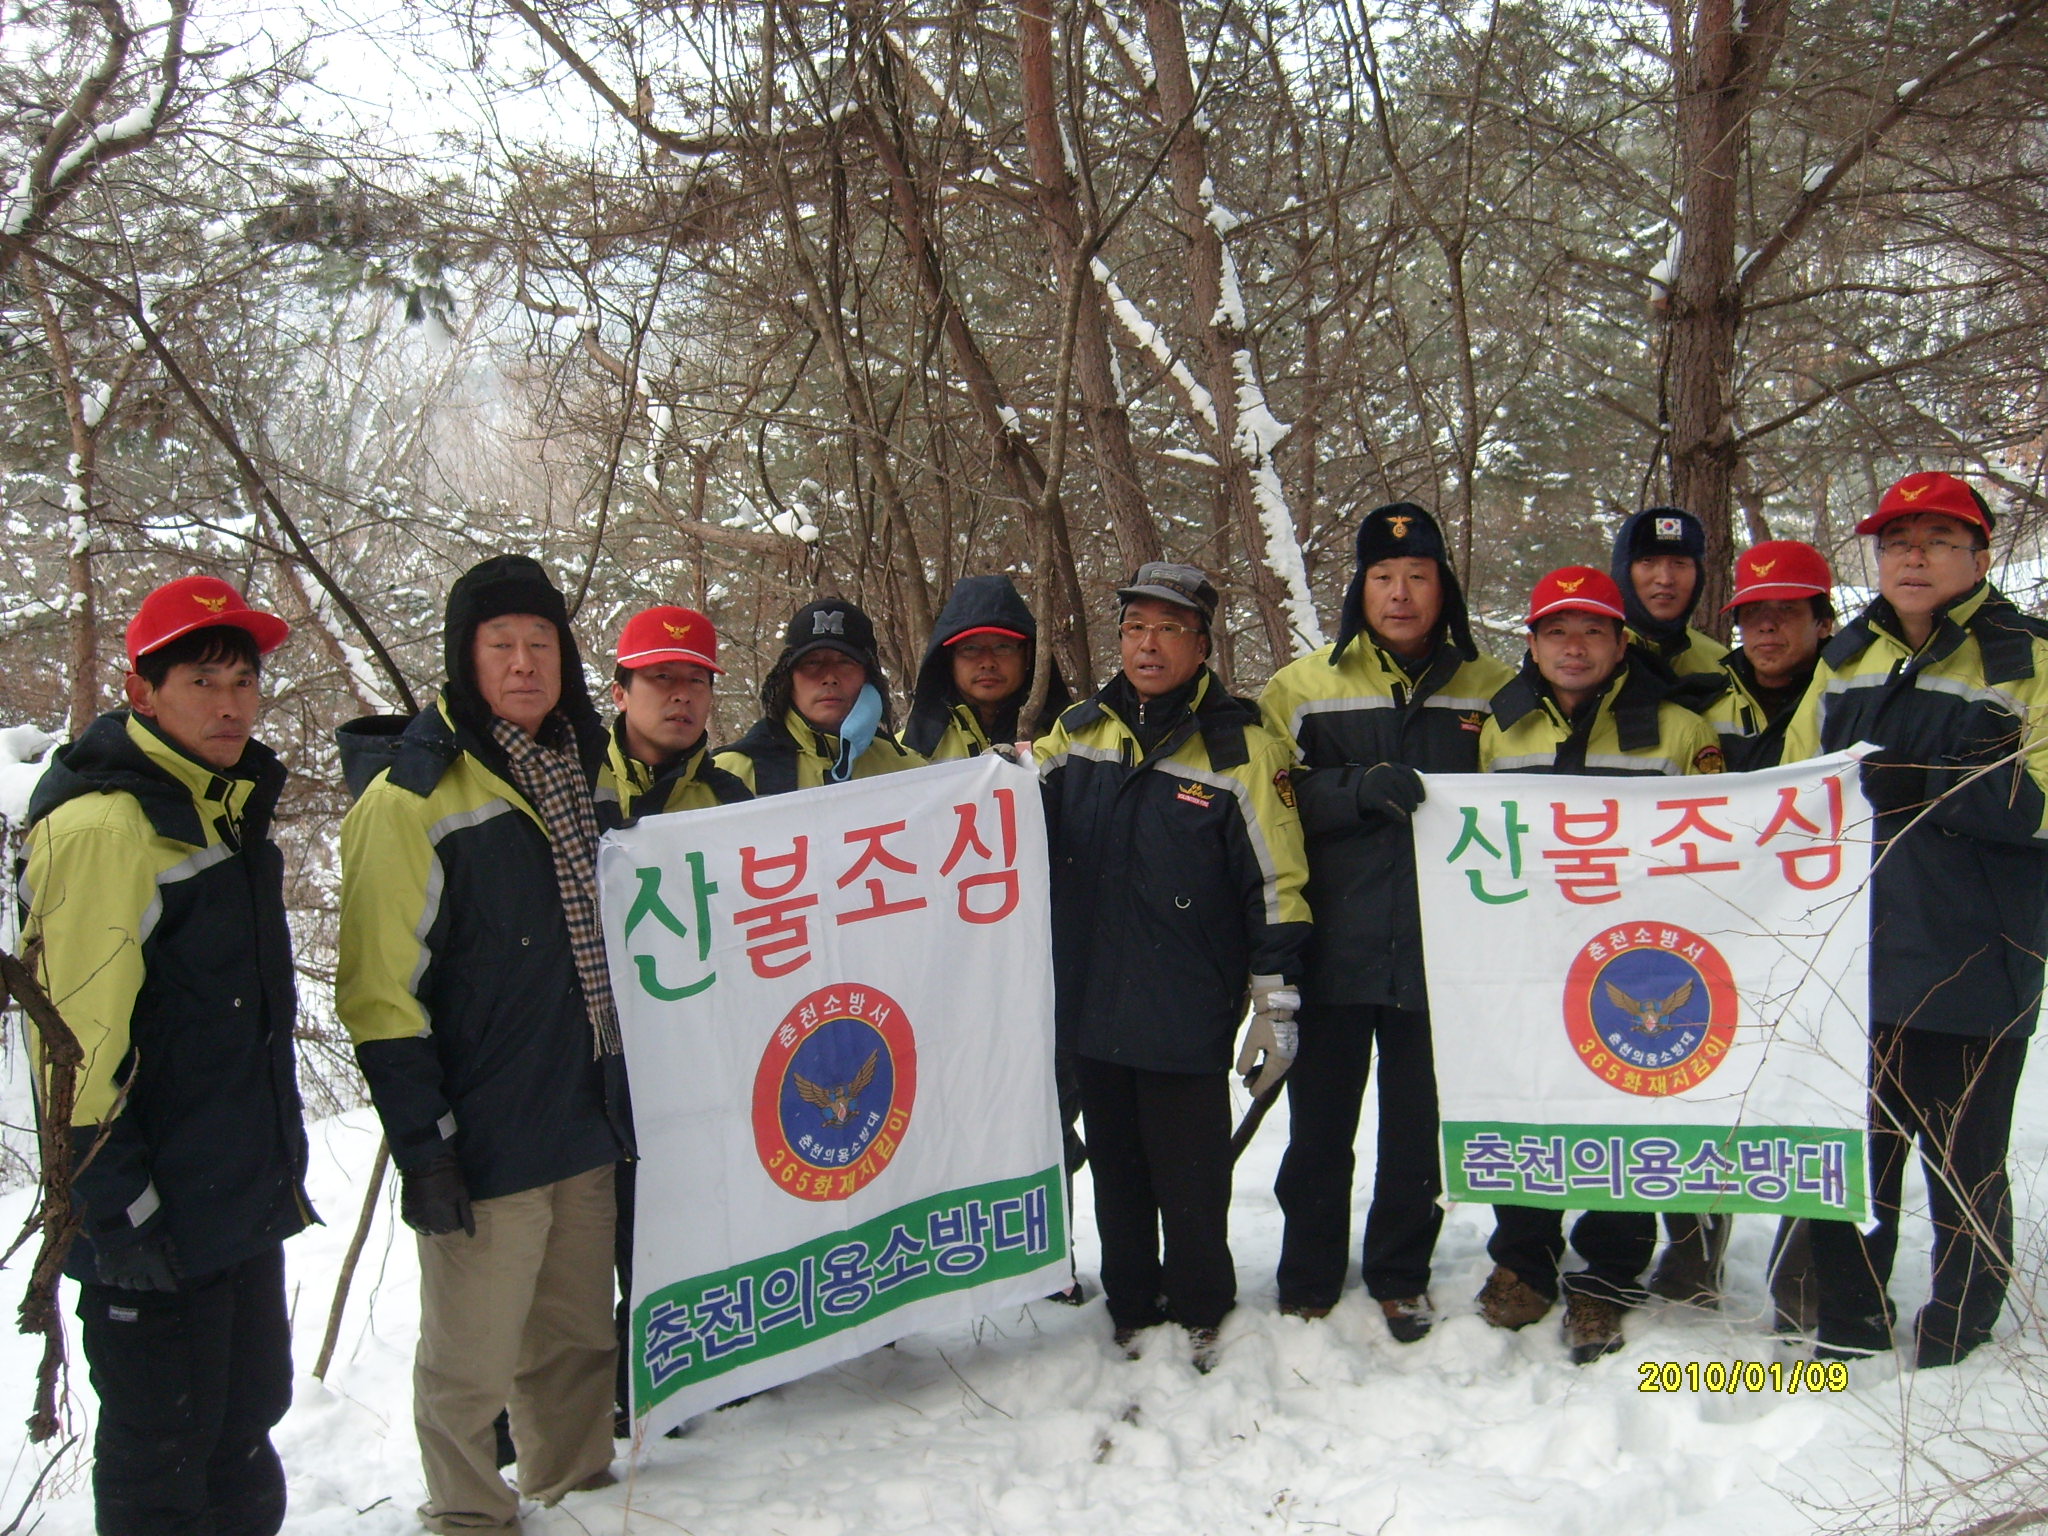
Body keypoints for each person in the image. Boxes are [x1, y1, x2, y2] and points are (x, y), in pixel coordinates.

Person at [337, 554, 629, 1531]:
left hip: (583, 1111)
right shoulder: (410, 798)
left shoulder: (586, 767)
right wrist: (424, 1146)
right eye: (500, 644)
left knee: (577, 1342)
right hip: (486, 1131)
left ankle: (577, 1495)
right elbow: (379, 995)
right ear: (465, 658)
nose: (523, 663)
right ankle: (468, 1516)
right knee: (469, 1364)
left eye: (541, 643)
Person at [21, 575, 309, 1536]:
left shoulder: (218, 806)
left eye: (244, 681)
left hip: (231, 1201)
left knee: (243, 1429)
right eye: (201, 681)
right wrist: (119, 1215)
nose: (230, 705)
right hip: (153, 1221)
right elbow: (71, 1049)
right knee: (163, 1464)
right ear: (141, 693)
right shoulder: (107, 827)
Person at [1782, 471, 2046, 1368]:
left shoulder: (2025, 657)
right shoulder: (1848, 656)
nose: (1914, 558)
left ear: (1980, 556)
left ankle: (1958, 1328)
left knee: (1964, 1162)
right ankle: (1850, 1322)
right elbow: (1792, 788)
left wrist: (1936, 787)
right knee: (1853, 1156)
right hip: (1852, 955)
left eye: (1937, 541)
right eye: (1897, 543)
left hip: (1977, 956)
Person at [1036, 561, 1310, 1371]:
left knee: (1190, 1180)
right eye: (1134, 628)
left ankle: (1199, 1307)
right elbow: (1007, 818)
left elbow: (1278, 885)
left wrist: (1275, 1002)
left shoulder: (1242, 747)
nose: (1147, 645)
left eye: (1168, 629)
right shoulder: (1076, 734)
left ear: (1201, 644)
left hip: (1187, 1003)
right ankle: (1129, 1305)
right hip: (1091, 998)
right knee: (1116, 1174)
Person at [1258, 503, 1513, 1342]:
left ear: (1445, 588)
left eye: (1418, 577)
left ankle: (1401, 1276)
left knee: (1416, 1132)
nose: (1400, 594)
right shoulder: (1301, 688)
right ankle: (1308, 1275)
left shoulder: (1493, 690)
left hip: (1443, 954)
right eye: (1383, 577)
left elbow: (1528, 795)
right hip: (1335, 945)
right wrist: (1353, 788)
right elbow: (1268, 800)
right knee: (1319, 1132)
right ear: (1358, 590)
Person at [1473, 565, 1722, 1363]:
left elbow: (1719, 841)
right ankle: (1524, 1260)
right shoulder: (1501, 727)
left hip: (1638, 964)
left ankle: (1608, 1276)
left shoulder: (1678, 730)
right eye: (1556, 631)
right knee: (1527, 1105)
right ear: (1533, 643)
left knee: (1625, 1114)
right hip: (1530, 957)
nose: (1573, 647)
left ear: (1621, 643)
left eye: (1591, 631)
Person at [1653, 539, 1837, 1316]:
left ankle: (1804, 1269)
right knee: (1695, 1084)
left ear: (1823, 621)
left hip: (1823, 924)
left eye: (1785, 614)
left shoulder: (1850, 691)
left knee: (1813, 1090)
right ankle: (1694, 1246)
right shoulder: (1705, 699)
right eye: (1752, 615)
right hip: (1717, 925)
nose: (1766, 630)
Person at [715, 597, 925, 791]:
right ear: (788, 678)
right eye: (813, 662)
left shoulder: (910, 774)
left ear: (868, 677)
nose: (829, 677)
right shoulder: (730, 776)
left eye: (845, 662)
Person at [600, 604, 752, 824]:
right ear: (620, 695)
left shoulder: (732, 802)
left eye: (696, 680)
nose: (683, 695)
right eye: (663, 676)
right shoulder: (578, 786)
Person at [902, 574, 1072, 761]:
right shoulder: (908, 754)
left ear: (1029, 655)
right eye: (970, 648)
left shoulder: (1065, 741)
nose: (987, 662)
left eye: (1003, 647)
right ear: (949, 658)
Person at [1612, 506, 1729, 684]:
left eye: (1679, 563)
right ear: (1623, 572)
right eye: (1648, 561)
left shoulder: (1719, 665)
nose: (1665, 579)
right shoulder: (1590, 660)